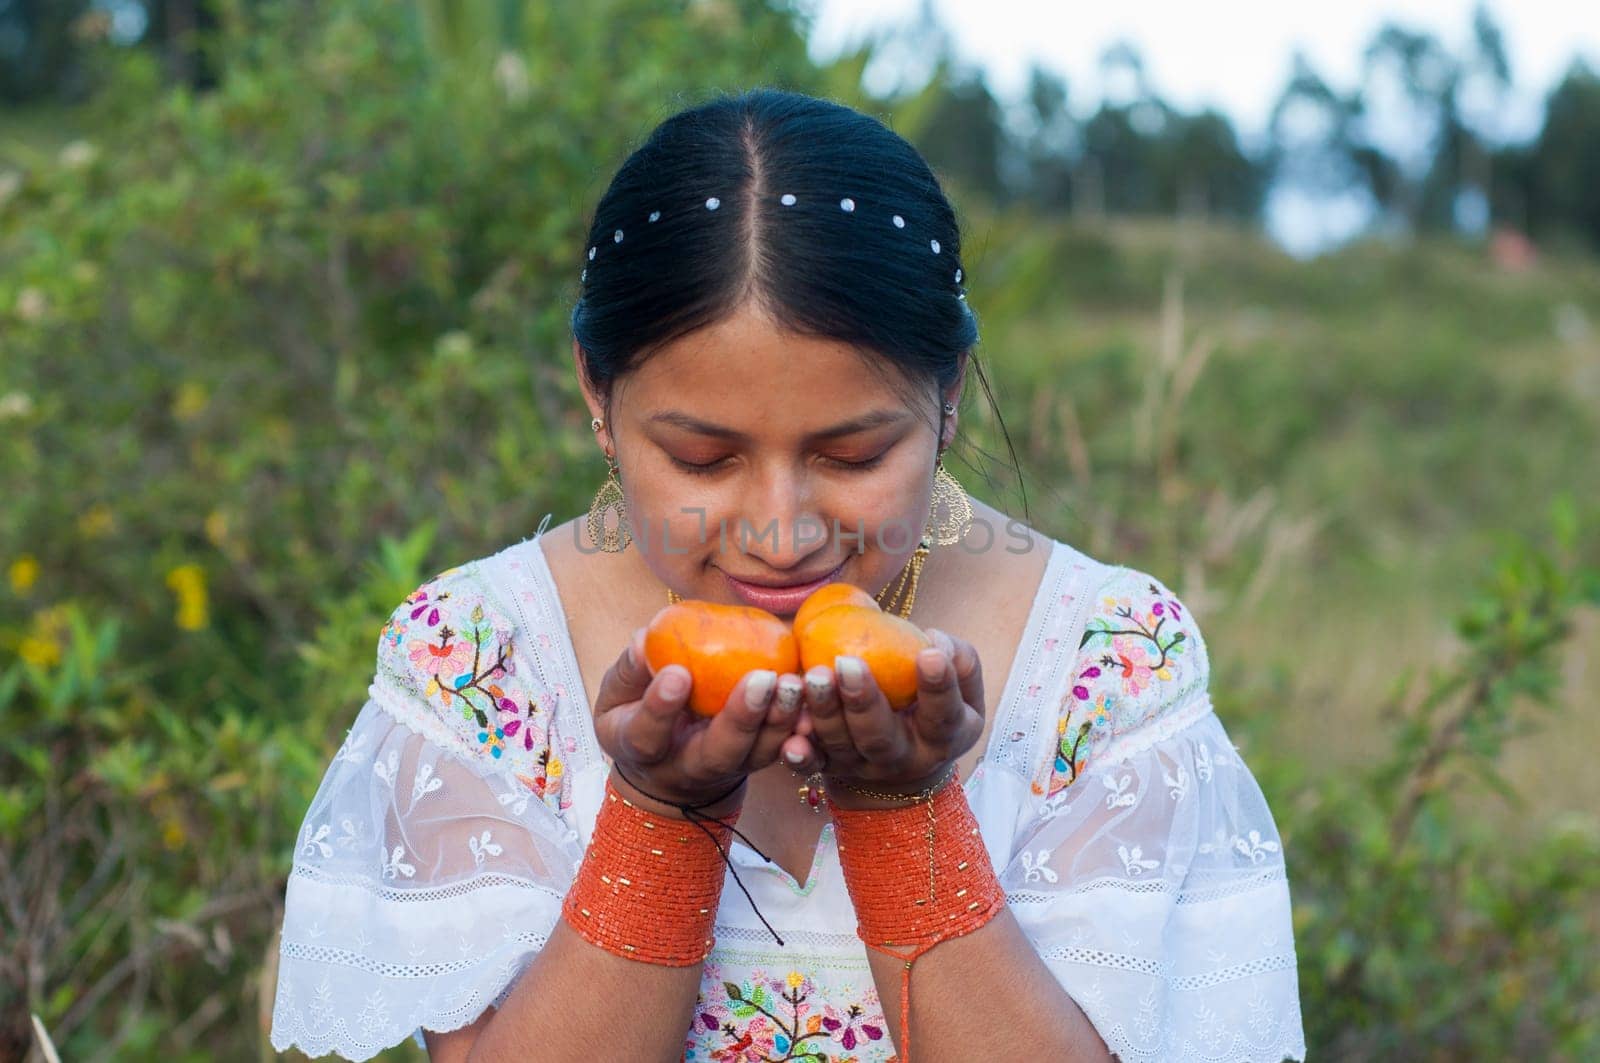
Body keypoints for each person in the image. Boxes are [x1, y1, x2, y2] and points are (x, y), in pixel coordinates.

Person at [268, 88, 1307, 1063]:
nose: (778, 532)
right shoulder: (478, 664)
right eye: (702, 458)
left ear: (947, 397)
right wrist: (661, 816)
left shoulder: (1106, 660)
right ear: (598, 393)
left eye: (852, 456)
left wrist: (905, 805)